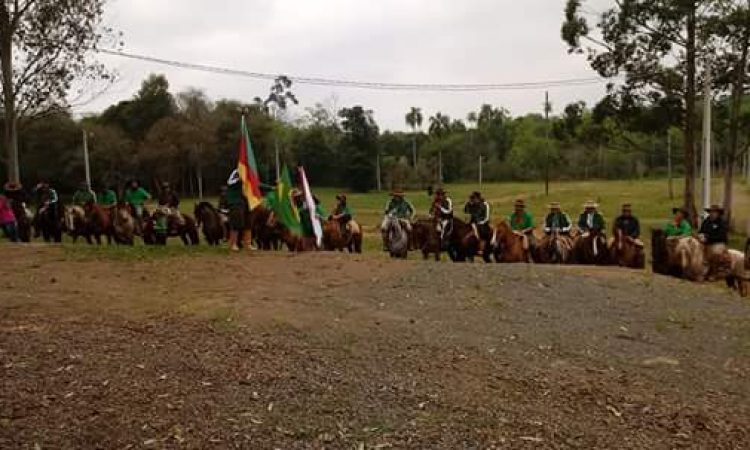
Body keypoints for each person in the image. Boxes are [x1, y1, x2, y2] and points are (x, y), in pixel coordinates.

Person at [699, 205, 729, 278]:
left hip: (718, 243)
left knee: (715, 252)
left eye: (714, 212)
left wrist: (708, 238)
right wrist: (700, 236)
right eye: (711, 212)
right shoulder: (706, 221)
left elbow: (721, 236)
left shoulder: (722, 222)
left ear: (718, 213)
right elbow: (701, 231)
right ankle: (698, 269)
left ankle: (714, 272)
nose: (712, 213)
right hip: (705, 241)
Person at [226, 170, 250, 251]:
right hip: (235, 204)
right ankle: (233, 244)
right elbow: (230, 182)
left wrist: (271, 187)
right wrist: (240, 179)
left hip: (243, 204)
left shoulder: (246, 175)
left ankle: (247, 243)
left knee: (247, 223)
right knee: (235, 224)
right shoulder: (236, 174)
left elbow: (255, 184)